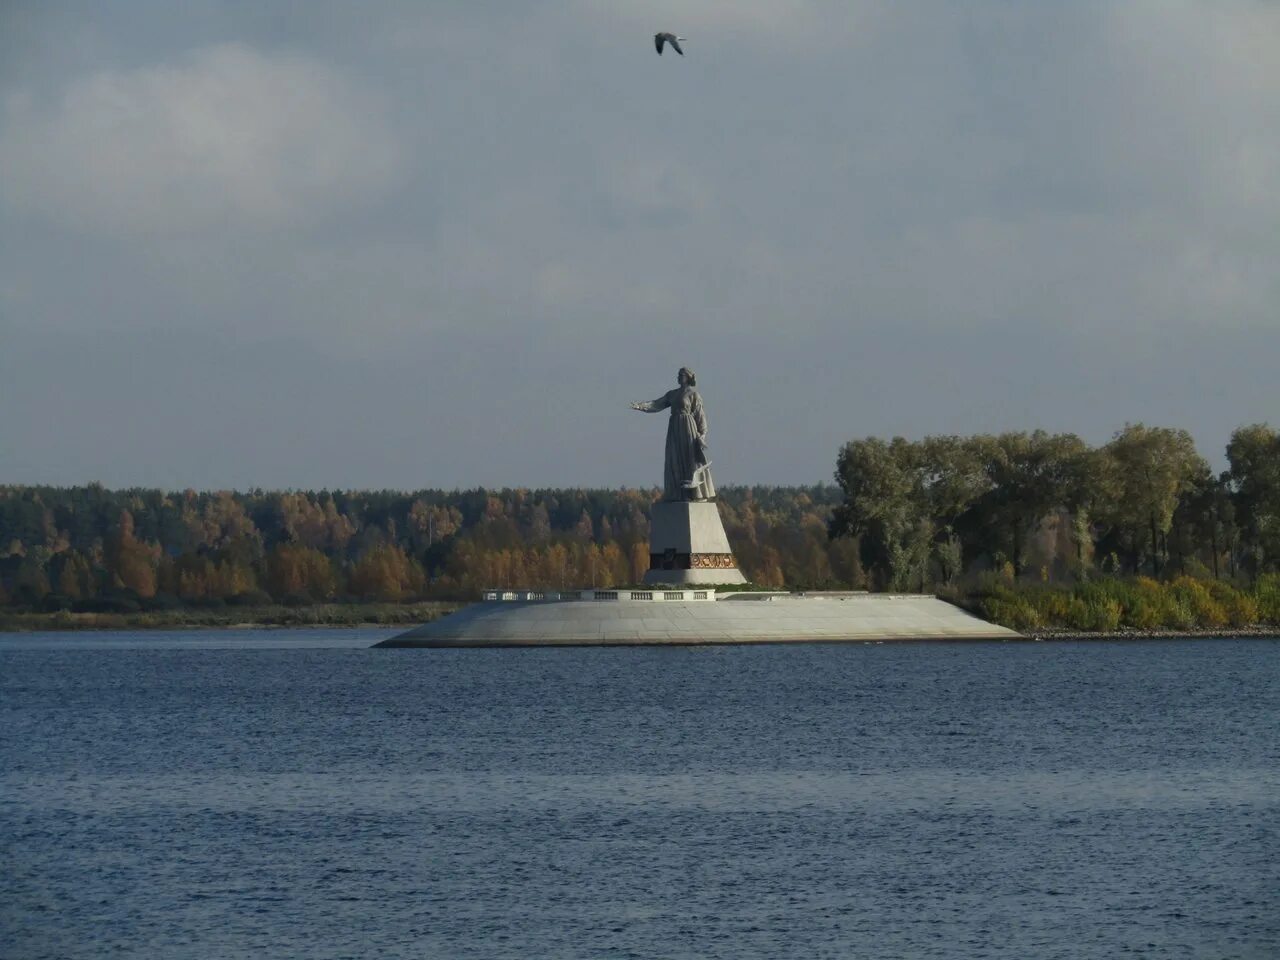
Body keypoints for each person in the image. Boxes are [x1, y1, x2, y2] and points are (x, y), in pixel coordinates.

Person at [629, 367, 716, 501]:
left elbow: (700, 416)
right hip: (674, 429)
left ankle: (695, 494)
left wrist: (702, 436)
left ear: (687, 377)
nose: (678, 377)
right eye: (678, 375)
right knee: (673, 458)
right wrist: (641, 406)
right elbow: (657, 404)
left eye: (681, 375)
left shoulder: (693, 395)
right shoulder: (672, 394)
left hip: (688, 428)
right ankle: (676, 493)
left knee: (690, 459)